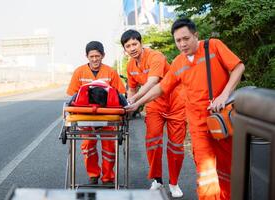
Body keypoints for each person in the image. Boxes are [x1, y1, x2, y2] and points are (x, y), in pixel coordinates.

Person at [125, 18, 245, 200]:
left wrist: (224, 95)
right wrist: (137, 103)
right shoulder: (178, 63)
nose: (182, 44)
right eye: (178, 40)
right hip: (198, 125)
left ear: (195, 35)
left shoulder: (213, 46)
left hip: (221, 120)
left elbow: (238, 67)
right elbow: (161, 87)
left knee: (226, 167)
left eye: (186, 38)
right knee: (205, 172)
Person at [121, 29, 186, 198]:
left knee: (176, 147)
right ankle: (157, 180)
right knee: (152, 141)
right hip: (155, 105)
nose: (132, 48)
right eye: (128, 46)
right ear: (125, 49)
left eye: (135, 43)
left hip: (176, 103)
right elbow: (132, 88)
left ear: (141, 44)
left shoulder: (156, 56)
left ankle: (174, 183)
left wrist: (135, 101)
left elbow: (153, 81)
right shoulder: (130, 66)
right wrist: (129, 101)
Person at [66, 41, 126, 184]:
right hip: (85, 118)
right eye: (91, 56)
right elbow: (71, 96)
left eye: (97, 56)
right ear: (86, 56)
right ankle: (93, 174)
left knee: (109, 148)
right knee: (87, 145)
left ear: (103, 56)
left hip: (107, 118)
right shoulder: (79, 72)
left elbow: (120, 94)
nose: (94, 59)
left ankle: (108, 177)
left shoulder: (110, 72)